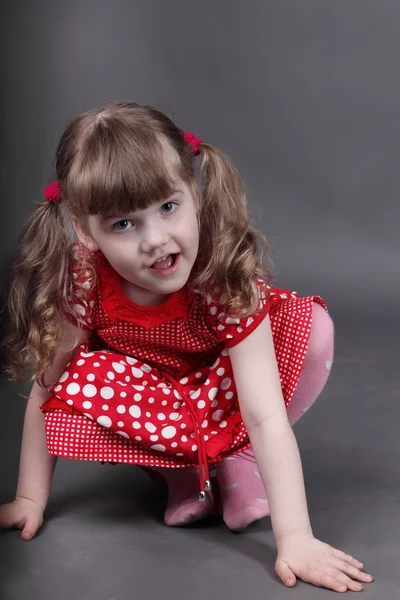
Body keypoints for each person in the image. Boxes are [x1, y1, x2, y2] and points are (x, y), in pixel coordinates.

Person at [0, 102, 372, 592]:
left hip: (224, 392)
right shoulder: (84, 281)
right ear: (85, 231)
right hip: (154, 402)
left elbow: (264, 414)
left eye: (168, 207)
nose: (156, 240)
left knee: (314, 329)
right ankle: (182, 477)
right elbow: (47, 391)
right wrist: (30, 497)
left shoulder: (221, 277)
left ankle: (235, 464)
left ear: (193, 192)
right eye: (123, 224)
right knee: (77, 379)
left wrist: (296, 537)